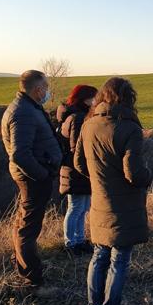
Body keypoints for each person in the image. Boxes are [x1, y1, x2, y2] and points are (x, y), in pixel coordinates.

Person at [74, 77, 152, 305]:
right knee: (119, 259)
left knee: (99, 255)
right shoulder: (129, 128)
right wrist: (148, 176)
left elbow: (78, 164)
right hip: (125, 205)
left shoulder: (88, 125)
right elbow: (134, 173)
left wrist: (99, 179)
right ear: (129, 98)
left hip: (99, 201)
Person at [1, 70, 62, 295]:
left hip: (31, 176)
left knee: (23, 222)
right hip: (32, 178)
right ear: (37, 90)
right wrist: (42, 174)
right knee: (28, 228)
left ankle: (24, 267)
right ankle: (32, 281)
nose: (47, 91)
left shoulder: (26, 108)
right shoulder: (24, 113)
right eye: (45, 87)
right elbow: (19, 153)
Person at [57, 84, 97, 255]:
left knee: (82, 206)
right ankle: (70, 243)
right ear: (85, 99)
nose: (96, 101)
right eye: (93, 98)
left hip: (77, 168)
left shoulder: (74, 115)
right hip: (76, 169)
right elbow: (77, 147)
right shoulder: (78, 118)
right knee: (75, 207)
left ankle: (79, 240)